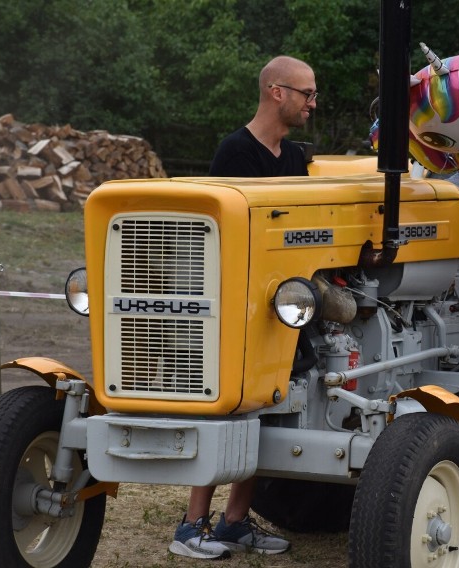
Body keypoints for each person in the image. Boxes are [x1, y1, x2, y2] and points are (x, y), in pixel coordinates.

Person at [168, 55, 317, 560]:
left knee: (268, 410)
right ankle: (191, 526)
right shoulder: (234, 153)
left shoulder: (295, 159)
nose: (312, 104)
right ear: (277, 92)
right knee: (227, 411)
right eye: (306, 94)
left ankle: (233, 523)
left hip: (280, 309)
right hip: (233, 309)